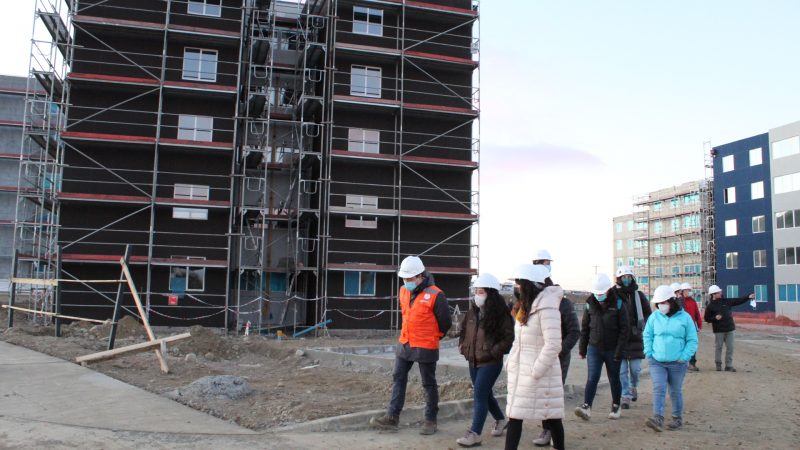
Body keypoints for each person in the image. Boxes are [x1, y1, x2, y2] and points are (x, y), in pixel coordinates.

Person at [369, 256, 451, 434]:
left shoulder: (436, 295)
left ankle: (430, 421)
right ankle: (392, 417)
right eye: (404, 279)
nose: (406, 282)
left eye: (410, 278)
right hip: (405, 342)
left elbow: (445, 323)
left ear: (421, 276)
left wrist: (433, 337)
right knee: (398, 377)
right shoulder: (403, 291)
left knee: (428, 383)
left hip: (426, 346)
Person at [505, 264, 565, 450]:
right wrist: (510, 361)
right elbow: (519, 338)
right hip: (521, 372)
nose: (516, 288)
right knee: (515, 415)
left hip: (540, 373)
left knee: (551, 416)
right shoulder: (525, 306)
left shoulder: (548, 308)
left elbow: (554, 344)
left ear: (529, 285)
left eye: (519, 284)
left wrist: (536, 370)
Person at [455, 273, 515, 447]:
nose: (477, 295)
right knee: (485, 394)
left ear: (490, 293)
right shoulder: (472, 311)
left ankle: (475, 433)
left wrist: (494, 351)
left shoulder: (501, 313)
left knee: (480, 394)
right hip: (473, 360)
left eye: (480, 291)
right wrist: (462, 345)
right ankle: (500, 419)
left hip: (491, 362)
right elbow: (464, 330)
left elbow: (508, 338)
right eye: (476, 291)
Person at [531, 250, 580, 447]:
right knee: (543, 394)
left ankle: (553, 432)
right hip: (539, 356)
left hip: (558, 357)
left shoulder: (563, 303)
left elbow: (574, 331)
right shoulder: (532, 303)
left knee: (553, 395)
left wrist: (560, 350)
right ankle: (546, 429)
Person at [643, 285, 698, 432]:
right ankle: (657, 418)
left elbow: (692, 339)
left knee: (675, 391)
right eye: (659, 303)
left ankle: (677, 418)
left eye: (664, 302)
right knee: (659, 388)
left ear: (671, 301)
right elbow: (647, 334)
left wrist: (685, 357)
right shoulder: (654, 317)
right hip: (657, 361)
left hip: (677, 363)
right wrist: (649, 352)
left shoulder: (685, 317)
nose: (661, 305)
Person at [575, 273, 630, 421]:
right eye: (596, 293)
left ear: (608, 290)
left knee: (613, 378)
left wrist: (619, 351)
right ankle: (586, 406)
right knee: (592, 377)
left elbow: (625, 329)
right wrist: (582, 348)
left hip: (613, 349)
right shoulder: (589, 304)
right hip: (594, 348)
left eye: (601, 293)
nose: (599, 296)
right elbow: (585, 327)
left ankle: (616, 405)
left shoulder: (618, 304)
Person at [612, 266, 651, 410]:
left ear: (632, 278)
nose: (626, 279)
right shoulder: (613, 295)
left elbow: (648, 313)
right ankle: (625, 396)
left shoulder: (639, 296)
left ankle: (634, 386)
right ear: (619, 279)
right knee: (622, 371)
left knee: (635, 369)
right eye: (623, 277)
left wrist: (643, 326)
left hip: (635, 338)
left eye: (629, 277)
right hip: (619, 339)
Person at [703, 285, 755, 372]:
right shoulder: (710, 306)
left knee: (730, 348)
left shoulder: (726, 301)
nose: (721, 293)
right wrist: (715, 318)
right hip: (719, 330)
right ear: (713, 294)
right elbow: (706, 319)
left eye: (720, 292)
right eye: (719, 292)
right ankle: (718, 365)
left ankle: (729, 366)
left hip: (730, 328)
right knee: (718, 347)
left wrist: (748, 297)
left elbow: (738, 300)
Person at [679, 282, 703, 371]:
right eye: (687, 290)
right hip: (681, 327)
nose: (689, 292)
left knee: (692, 345)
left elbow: (697, 313)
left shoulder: (692, 301)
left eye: (689, 290)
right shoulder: (679, 302)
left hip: (692, 326)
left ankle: (692, 364)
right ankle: (682, 363)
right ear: (682, 291)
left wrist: (699, 324)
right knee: (682, 345)